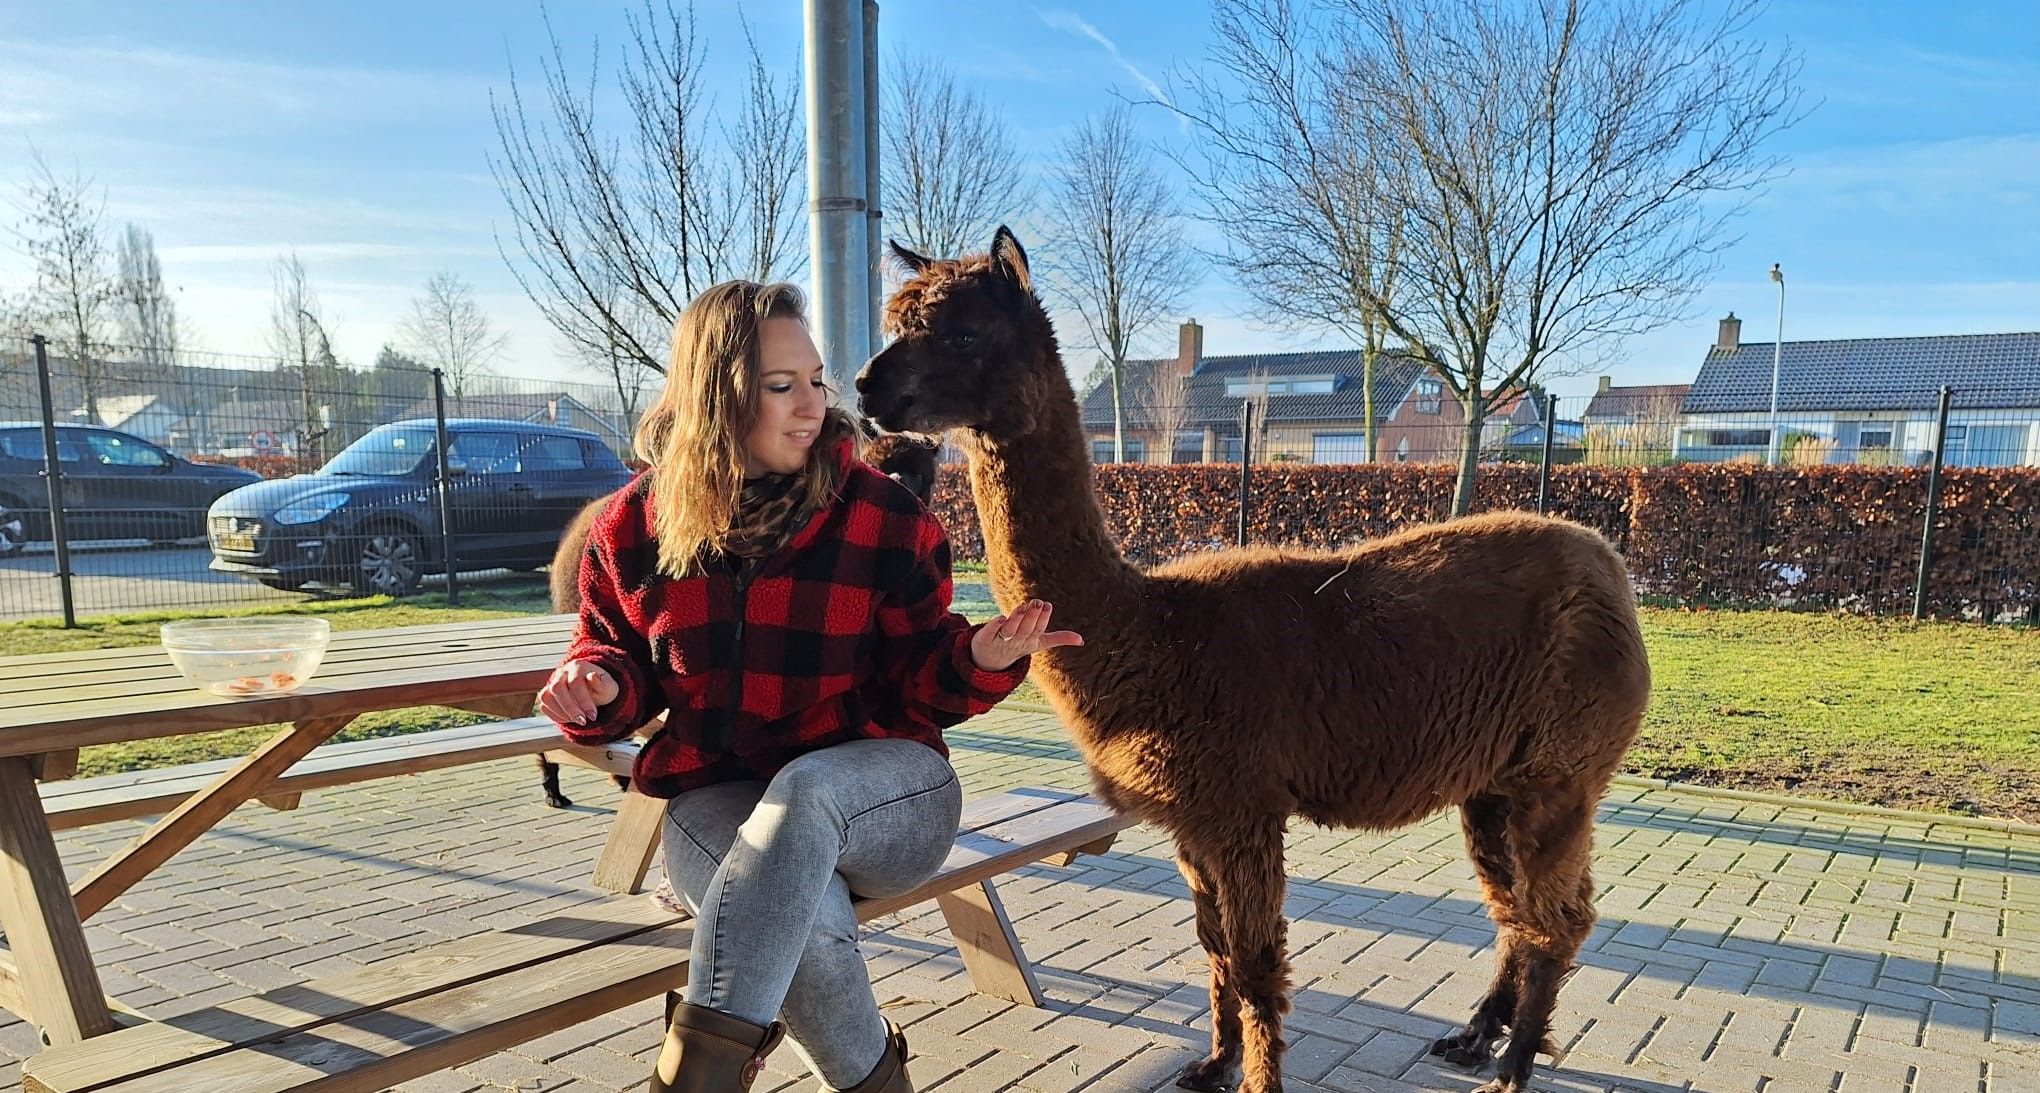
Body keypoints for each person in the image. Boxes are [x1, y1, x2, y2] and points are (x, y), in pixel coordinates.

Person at [538, 280, 1080, 1093]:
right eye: (781, 385)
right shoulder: (633, 525)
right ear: (715, 395)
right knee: (801, 932)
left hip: (886, 795)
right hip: (718, 796)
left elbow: (919, 682)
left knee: (805, 793)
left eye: (817, 381)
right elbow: (616, 655)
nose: (812, 405)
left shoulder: (883, 517)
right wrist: (595, 689)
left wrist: (980, 657)